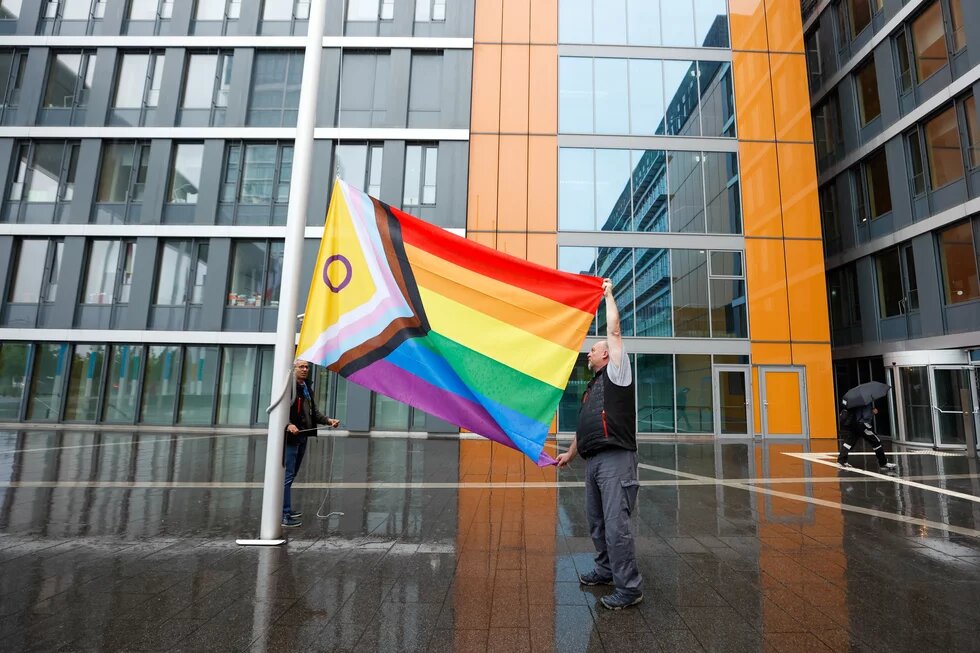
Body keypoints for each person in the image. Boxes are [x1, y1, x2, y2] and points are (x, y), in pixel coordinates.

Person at [556, 279, 643, 610]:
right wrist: (569, 453)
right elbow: (586, 428)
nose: (589, 353)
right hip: (593, 462)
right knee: (596, 521)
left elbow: (616, 331)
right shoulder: (593, 388)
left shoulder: (618, 373)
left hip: (615, 460)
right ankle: (606, 571)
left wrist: (608, 296)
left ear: (606, 353)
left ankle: (630, 588)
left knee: (616, 525)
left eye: (593, 349)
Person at [282, 360, 339, 527]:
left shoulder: (306, 387)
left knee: (291, 475)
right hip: (290, 438)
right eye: (301, 366)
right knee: (286, 476)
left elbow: (313, 412)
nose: (305, 369)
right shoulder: (288, 387)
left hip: (302, 436)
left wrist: (328, 421)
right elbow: (280, 409)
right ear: (293, 369)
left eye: (307, 367)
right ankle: (283, 514)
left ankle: (285, 509)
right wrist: (288, 424)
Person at [837, 401, 897, 472]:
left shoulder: (855, 402)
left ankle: (841, 460)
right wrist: (873, 412)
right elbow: (866, 415)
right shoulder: (866, 402)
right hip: (863, 425)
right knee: (877, 442)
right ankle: (883, 463)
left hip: (855, 425)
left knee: (849, 442)